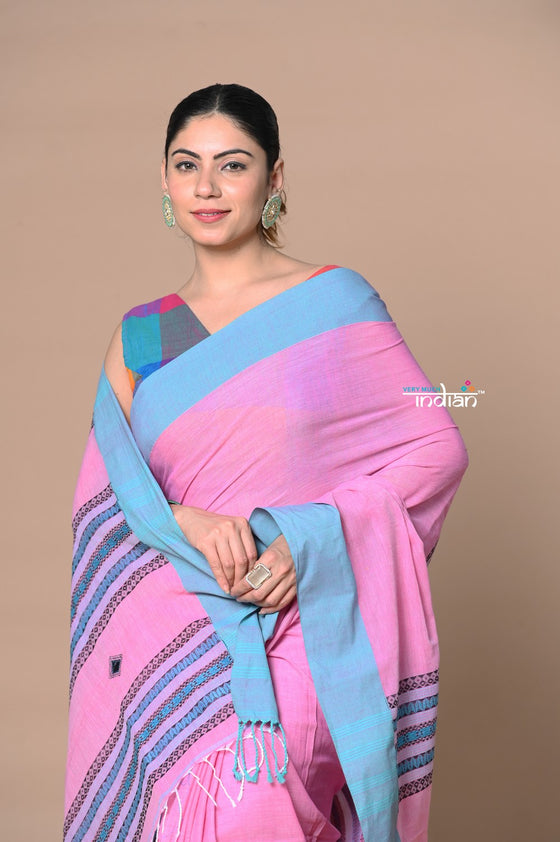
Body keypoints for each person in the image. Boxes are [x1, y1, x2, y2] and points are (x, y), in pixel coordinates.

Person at [65, 84, 468, 842]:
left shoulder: (333, 302)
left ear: (274, 178)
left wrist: (306, 541)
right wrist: (183, 518)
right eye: (187, 165)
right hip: (178, 638)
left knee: (250, 808)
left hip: (299, 620)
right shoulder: (142, 337)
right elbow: (105, 510)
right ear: (164, 181)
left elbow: (436, 447)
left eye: (232, 165)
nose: (207, 188)